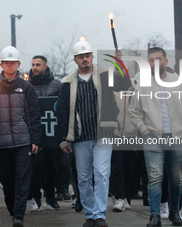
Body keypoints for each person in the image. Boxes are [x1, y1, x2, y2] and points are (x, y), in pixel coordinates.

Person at [57, 38, 131, 227]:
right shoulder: (67, 84)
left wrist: (120, 64)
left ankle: (100, 216)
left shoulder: (105, 75)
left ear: (92, 56)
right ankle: (89, 215)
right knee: (83, 177)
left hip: (103, 133)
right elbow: (63, 112)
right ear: (75, 60)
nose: (85, 59)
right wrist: (64, 140)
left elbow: (124, 84)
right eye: (81, 57)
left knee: (101, 173)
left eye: (88, 55)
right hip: (80, 137)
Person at [129, 47, 182, 227]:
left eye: (158, 59)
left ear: (165, 61)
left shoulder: (180, 83)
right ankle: (154, 215)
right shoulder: (142, 85)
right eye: (151, 59)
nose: (155, 62)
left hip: (176, 137)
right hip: (152, 137)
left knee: (176, 178)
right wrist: (145, 131)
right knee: (154, 177)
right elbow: (134, 112)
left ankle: (174, 211)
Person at [0, 46, 41, 227]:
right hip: (1, 142)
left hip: (23, 142)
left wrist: (35, 140)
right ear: (2, 64)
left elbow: (34, 116)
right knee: (7, 180)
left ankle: (18, 216)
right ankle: (13, 210)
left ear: (18, 64)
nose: (9, 65)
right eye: (6, 62)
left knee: (22, 178)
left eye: (13, 62)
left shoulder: (26, 87)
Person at [27, 55, 61, 211]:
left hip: (51, 132)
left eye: (38, 65)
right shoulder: (27, 86)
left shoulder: (56, 85)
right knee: (35, 167)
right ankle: (35, 197)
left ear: (45, 67)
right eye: (33, 64)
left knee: (52, 167)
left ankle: (50, 197)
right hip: (34, 132)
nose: (35, 67)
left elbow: (61, 107)